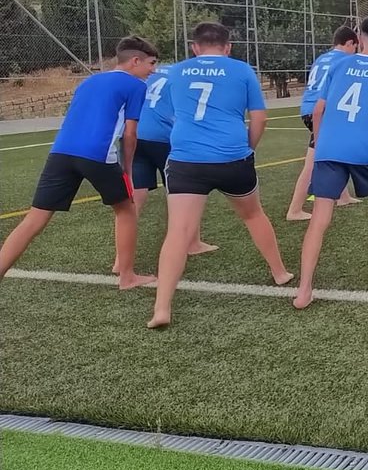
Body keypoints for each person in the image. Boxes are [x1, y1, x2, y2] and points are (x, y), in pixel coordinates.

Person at [147, 22, 293, 329]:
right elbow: (259, 118)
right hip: (232, 157)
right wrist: (247, 148)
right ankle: (280, 273)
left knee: (178, 232)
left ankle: (161, 308)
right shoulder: (241, 70)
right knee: (253, 215)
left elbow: (169, 111)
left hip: (186, 160)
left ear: (195, 47)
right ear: (228, 47)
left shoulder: (176, 72)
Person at [0, 36, 159, 288]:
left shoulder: (89, 81)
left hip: (60, 153)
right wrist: (127, 169)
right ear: (135, 61)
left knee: (34, 219)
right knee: (126, 210)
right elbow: (130, 133)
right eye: (151, 63)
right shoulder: (136, 86)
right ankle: (127, 276)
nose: (154, 70)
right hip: (97, 155)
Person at [293, 15, 368, 310]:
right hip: (363, 150)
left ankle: (304, 290)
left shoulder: (338, 64)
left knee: (320, 218)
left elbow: (318, 111)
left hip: (329, 149)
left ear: (359, 37)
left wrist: (320, 143)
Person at [120, 60, 216, 268]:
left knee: (135, 196)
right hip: (164, 137)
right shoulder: (186, 76)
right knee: (186, 191)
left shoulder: (152, 73)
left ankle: (120, 260)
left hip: (135, 135)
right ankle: (192, 243)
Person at [286, 26, 361, 220]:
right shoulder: (345, 61)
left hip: (308, 109)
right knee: (313, 161)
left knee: (338, 151)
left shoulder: (322, 58)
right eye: (355, 47)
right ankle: (295, 209)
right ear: (350, 43)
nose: (355, 51)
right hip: (322, 112)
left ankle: (343, 196)